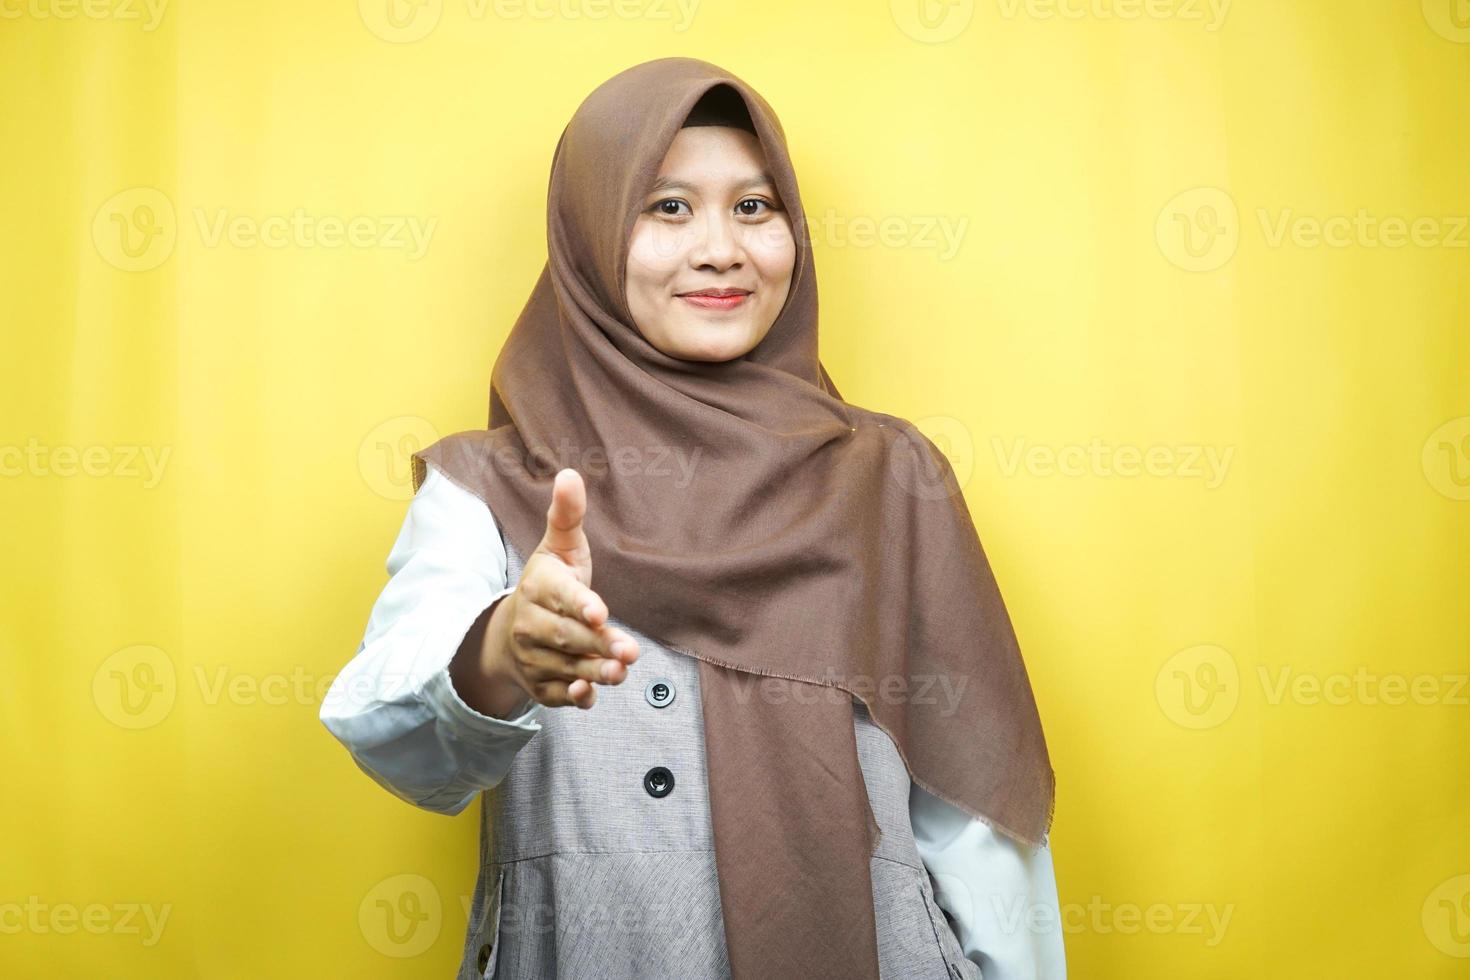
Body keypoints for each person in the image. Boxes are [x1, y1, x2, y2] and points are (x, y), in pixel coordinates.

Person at [322, 57, 1066, 979]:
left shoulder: (889, 475)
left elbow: (977, 820)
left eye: (755, 208)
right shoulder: (493, 484)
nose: (722, 248)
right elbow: (395, 743)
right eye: (667, 207)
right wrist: (502, 650)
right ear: (589, 235)